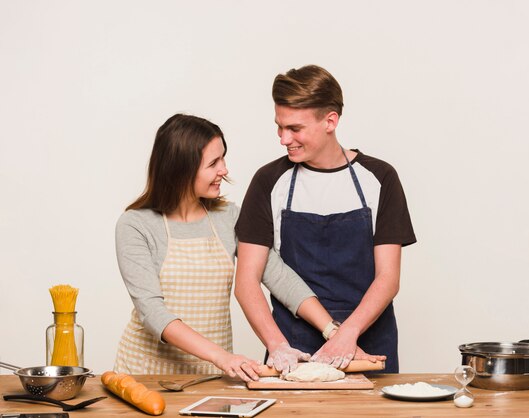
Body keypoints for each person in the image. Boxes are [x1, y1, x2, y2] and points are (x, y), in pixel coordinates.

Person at [235, 65, 416, 373]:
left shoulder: (380, 178)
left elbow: (388, 278)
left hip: (369, 342)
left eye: (294, 128)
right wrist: (278, 346)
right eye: (279, 127)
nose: (283, 138)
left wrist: (347, 334)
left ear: (330, 121)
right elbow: (246, 280)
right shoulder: (268, 181)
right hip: (294, 345)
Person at [113, 114, 314, 381]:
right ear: (181, 169)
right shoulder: (135, 225)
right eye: (213, 163)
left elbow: (278, 275)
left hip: (210, 376)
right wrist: (222, 357)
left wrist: (332, 331)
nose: (224, 170)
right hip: (145, 376)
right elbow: (152, 312)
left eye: (223, 158)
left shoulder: (228, 217)